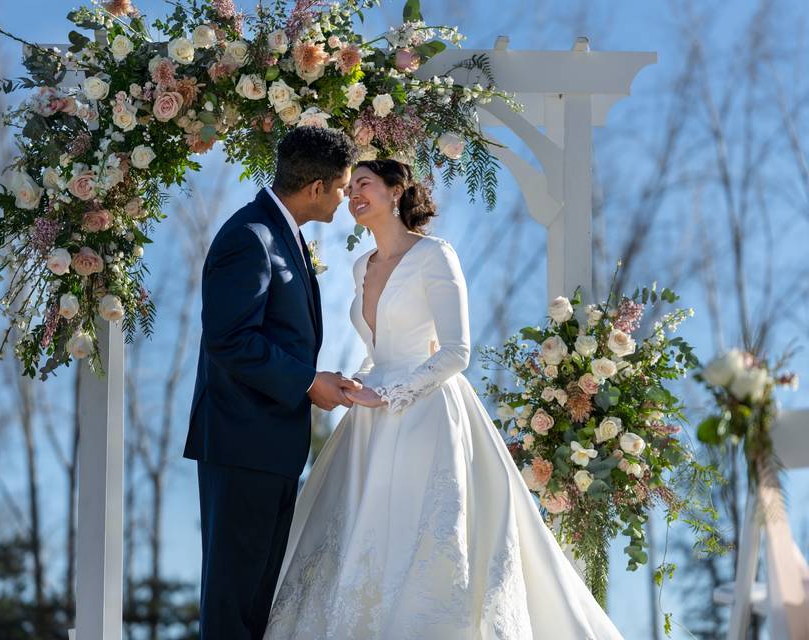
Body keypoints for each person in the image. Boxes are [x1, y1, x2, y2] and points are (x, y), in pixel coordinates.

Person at [265, 159, 624, 639]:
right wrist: (357, 384)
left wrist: (390, 394)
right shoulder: (360, 266)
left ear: (396, 192)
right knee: (357, 541)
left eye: (365, 185)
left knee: (424, 537)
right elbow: (379, 349)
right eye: (349, 188)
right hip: (370, 420)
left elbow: (456, 352)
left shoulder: (435, 255)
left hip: (426, 413)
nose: (354, 195)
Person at [184, 126, 361, 640]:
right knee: (233, 604)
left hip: (270, 449)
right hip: (242, 446)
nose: (344, 199)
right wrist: (308, 383)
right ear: (315, 188)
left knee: (259, 605)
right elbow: (229, 339)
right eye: (343, 188)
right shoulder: (250, 236)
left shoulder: (281, 233)